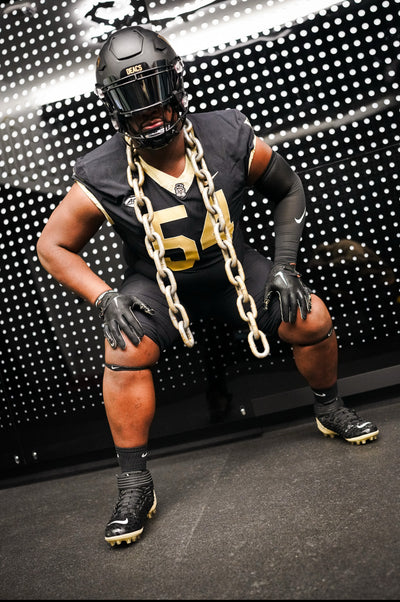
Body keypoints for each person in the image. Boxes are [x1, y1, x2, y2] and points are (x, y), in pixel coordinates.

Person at [36, 25, 379, 547]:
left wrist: (285, 265)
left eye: (154, 91)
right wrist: (103, 297)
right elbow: (53, 245)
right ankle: (134, 482)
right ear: (114, 107)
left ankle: (329, 407)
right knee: (123, 346)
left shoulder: (226, 134)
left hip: (233, 270)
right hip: (158, 288)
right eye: (133, 98)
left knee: (311, 316)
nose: (149, 110)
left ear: (176, 86)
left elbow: (288, 187)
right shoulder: (103, 171)